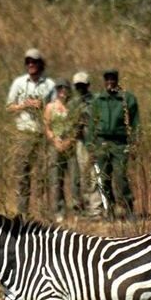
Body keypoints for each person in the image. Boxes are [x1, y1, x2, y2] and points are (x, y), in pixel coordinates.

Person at [5, 48, 57, 215]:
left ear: (41, 64)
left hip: (42, 134)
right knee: (23, 174)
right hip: (24, 133)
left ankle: (43, 211)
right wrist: (24, 105)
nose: (31, 65)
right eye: (28, 62)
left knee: (43, 174)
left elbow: (57, 108)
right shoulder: (19, 83)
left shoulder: (49, 85)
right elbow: (8, 107)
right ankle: (23, 213)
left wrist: (43, 107)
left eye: (34, 62)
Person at [89, 68, 140, 219]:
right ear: (104, 81)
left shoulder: (127, 99)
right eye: (107, 79)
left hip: (120, 143)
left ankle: (129, 209)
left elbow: (135, 123)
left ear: (117, 81)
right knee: (103, 179)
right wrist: (90, 146)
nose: (110, 82)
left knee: (121, 177)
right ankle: (109, 211)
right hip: (102, 143)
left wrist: (135, 143)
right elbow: (92, 123)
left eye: (113, 79)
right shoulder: (98, 101)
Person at [43, 82, 77, 221]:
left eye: (65, 88)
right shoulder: (50, 106)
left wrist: (69, 141)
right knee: (56, 179)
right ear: (57, 90)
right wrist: (55, 140)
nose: (63, 91)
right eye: (60, 88)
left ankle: (77, 211)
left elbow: (76, 126)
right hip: (55, 145)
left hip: (70, 145)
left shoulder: (73, 107)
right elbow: (46, 126)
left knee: (75, 178)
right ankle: (59, 212)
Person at [69, 71, 98, 216]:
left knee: (93, 175)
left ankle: (96, 209)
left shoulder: (96, 101)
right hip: (79, 142)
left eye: (83, 85)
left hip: (93, 141)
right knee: (83, 176)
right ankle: (87, 208)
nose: (80, 89)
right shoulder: (73, 103)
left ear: (88, 85)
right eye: (78, 86)